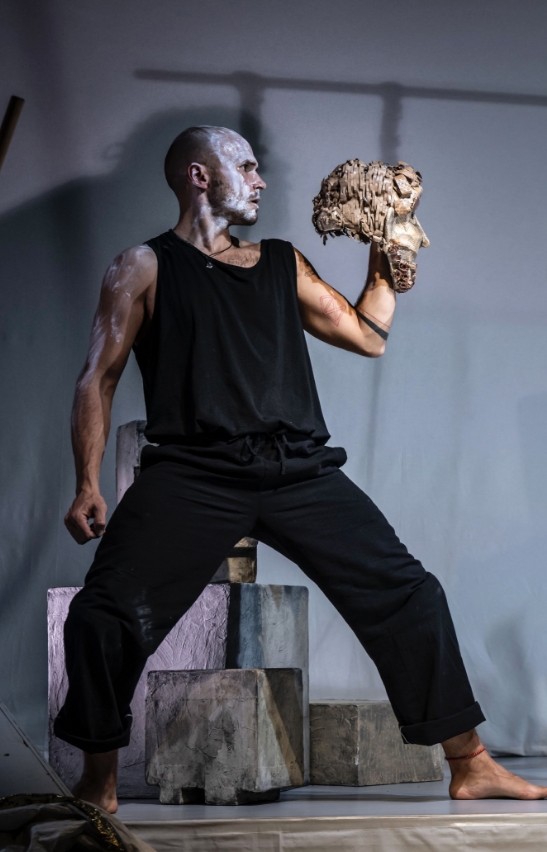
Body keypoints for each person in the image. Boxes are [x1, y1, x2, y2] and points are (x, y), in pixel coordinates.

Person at [56, 126, 547, 813]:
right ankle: (97, 782)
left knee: (411, 596)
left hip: (299, 472)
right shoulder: (143, 267)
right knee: (102, 615)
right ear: (199, 175)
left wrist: (387, 256)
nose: (261, 181)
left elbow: (366, 337)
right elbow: (97, 377)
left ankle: (470, 762)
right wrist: (85, 480)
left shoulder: (281, 262)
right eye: (247, 167)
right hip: (193, 474)